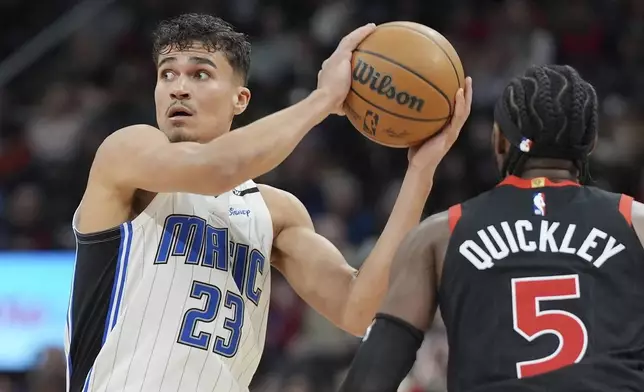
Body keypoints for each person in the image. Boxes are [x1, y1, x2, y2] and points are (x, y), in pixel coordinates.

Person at [63, 13, 473, 392]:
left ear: (240, 100)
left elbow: (359, 309)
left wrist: (421, 171)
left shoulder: (275, 212)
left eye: (200, 74)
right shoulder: (127, 151)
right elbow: (215, 170)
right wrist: (322, 101)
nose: (178, 87)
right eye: (166, 74)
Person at [338, 65, 644, 392]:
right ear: (591, 142)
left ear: (499, 141)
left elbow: (369, 381)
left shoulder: (440, 236)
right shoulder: (635, 222)